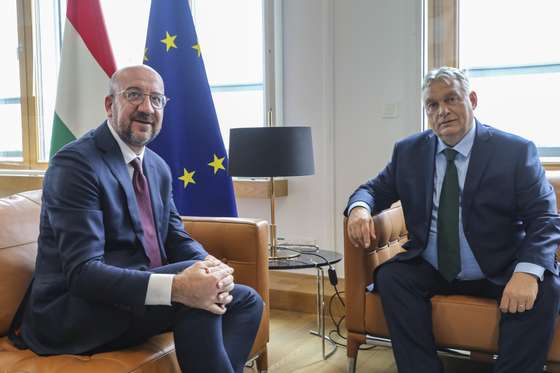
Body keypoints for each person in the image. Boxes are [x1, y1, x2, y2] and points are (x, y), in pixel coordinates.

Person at [9, 65, 263, 373]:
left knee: (247, 301)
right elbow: (83, 273)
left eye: (157, 99)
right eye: (134, 95)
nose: (147, 107)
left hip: (133, 299)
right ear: (109, 104)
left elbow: (175, 236)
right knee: (195, 293)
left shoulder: (157, 166)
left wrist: (211, 266)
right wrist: (180, 287)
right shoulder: (75, 165)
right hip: (74, 311)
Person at [345, 66, 560, 373]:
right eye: (432, 105)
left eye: (451, 99)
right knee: (392, 278)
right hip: (434, 267)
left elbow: (544, 217)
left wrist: (526, 272)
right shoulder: (409, 151)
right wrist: (359, 210)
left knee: (547, 286)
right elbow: (371, 190)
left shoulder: (513, 151)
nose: (442, 111)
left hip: (500, 266)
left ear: (471, 99)